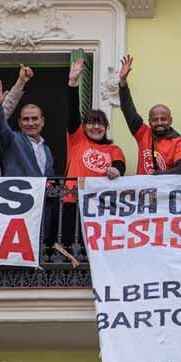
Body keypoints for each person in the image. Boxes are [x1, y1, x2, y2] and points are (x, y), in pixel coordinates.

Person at [55, 57, 126, 246]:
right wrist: (73, 83)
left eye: (100, 123)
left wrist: (116, 170)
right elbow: (72, 112)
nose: (96, 127)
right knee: (71, 247)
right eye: (91, 123)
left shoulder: (113, 149)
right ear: (84, 127)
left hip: (100, 205)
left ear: (106, 127)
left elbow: (119, 165)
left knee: (97, 248)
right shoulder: (77, 139)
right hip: (73, 201)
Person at [116, 55, 181, 175]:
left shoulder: (179, 142)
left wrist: (155, 177)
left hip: (166, 192)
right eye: (155, 120)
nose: (159, 122)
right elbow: (128, 110)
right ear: (149, 122)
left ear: (170, 121)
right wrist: (123, 82)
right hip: (142, 192)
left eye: (163, 119)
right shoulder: (143, 134)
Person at [0, 78, 54, 178]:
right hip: (16, 193)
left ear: (42, 121)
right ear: (20, 122)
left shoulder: (46, 149)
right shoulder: (12, 140)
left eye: (34, 118)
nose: (30, 123)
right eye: (26, 119)